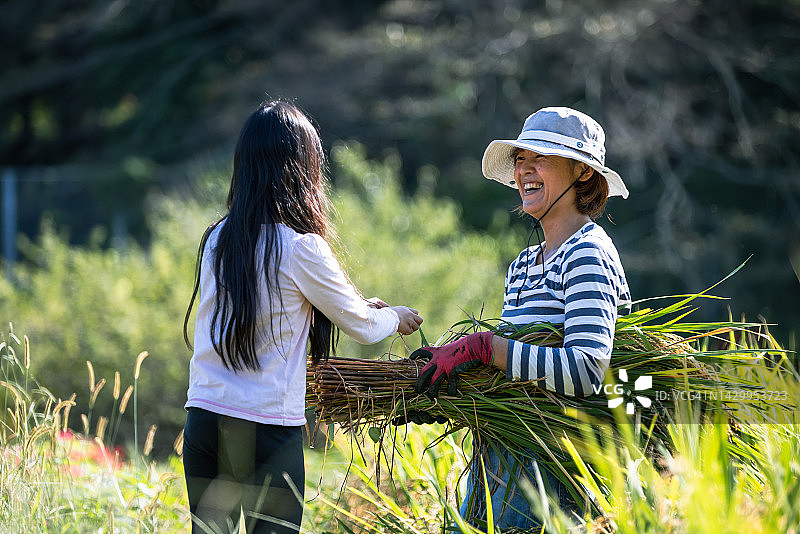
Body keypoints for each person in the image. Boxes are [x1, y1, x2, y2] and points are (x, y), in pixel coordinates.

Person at [181, 100, 423, 534]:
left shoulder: (217, 239)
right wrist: (396, 317)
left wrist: (360, 306)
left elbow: (272, 301)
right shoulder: (300, 247)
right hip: (266, 430)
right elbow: (363, 326)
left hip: (204, 417)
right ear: (301, 171)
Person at [413, 107, 631, 529]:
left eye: (540, 158)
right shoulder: (524, 264)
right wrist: (447, 392)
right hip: (501, 461)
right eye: (520, 159)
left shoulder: (587, 253)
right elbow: (514, 374)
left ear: (583, 172)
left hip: (554, 469)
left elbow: (587, 370)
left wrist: (484, 347)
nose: (524, 170)